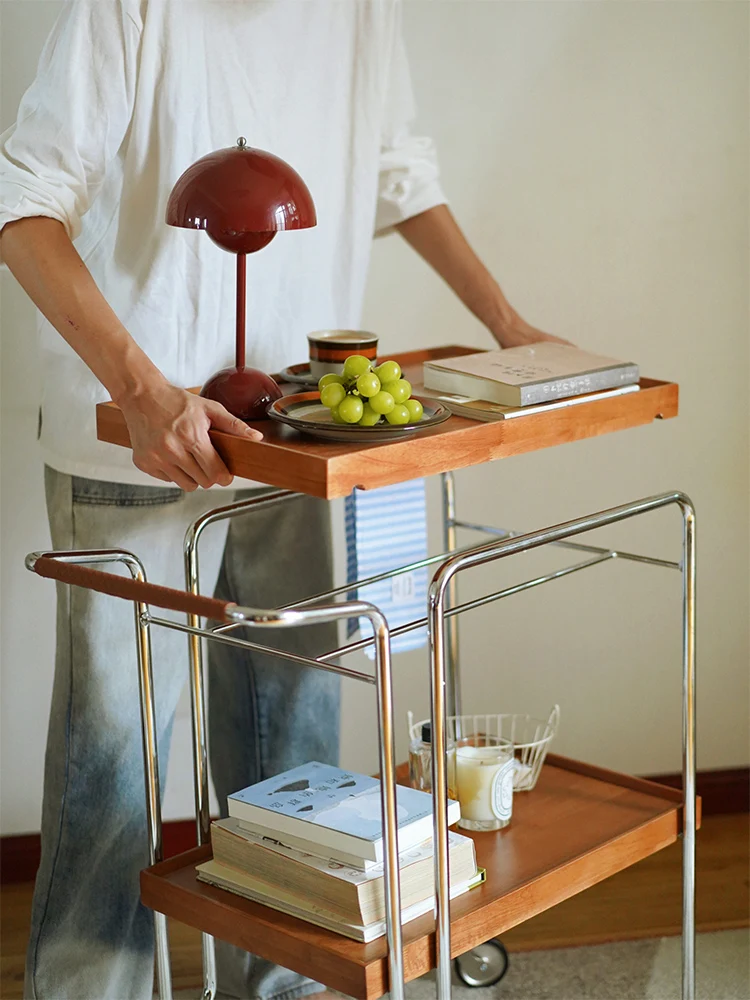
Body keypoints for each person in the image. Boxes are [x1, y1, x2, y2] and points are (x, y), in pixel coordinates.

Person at [0, 2, 564, 998]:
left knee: (292, 737)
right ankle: (90, 986)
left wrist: (510, 325)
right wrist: (141, 391)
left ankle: (284, 982)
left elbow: (399, 171)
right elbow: (22, 206)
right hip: (131, 440)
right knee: (116, 754)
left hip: (301, 432)